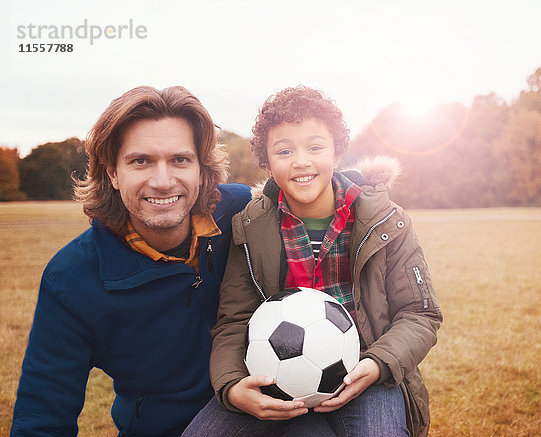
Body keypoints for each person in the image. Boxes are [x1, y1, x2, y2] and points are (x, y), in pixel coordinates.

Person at [182, 86, 443, 437]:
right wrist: (231, 386)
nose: (301, 161)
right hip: (277, 377)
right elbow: (234, 319)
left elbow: (419, 313)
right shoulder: (251, 227)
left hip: (367, 375)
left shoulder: (386, 220)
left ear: (336, 153)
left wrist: (378, 364)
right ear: (267, 160)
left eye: (315, 147)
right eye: (285, 150)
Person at [10, 86, 251, 436]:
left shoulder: (244, 214)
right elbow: (42, 418)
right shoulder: (72, 279)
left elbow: (324, 193)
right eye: (141, 161)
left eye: (180, 160)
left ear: (201, 167)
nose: (163, 181)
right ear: (112, 173)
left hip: (269, 417)